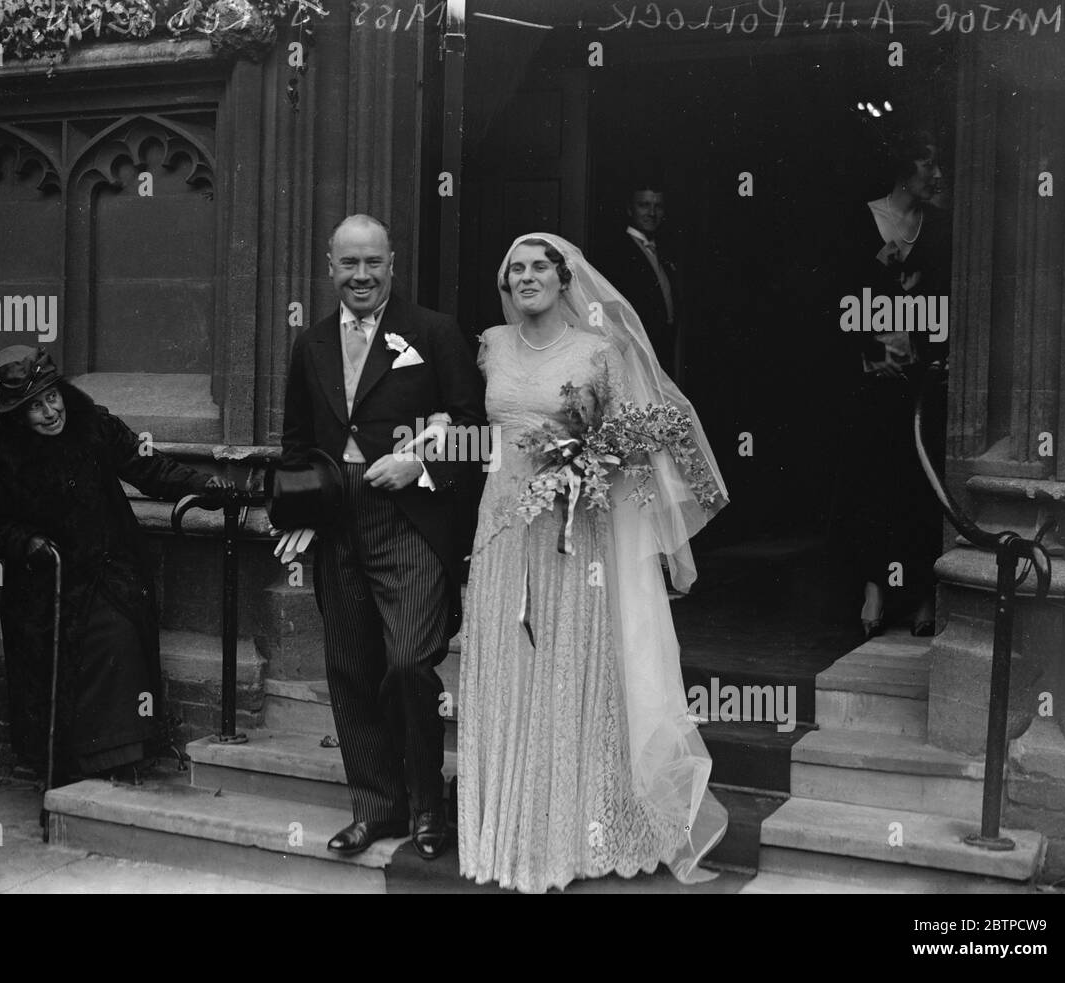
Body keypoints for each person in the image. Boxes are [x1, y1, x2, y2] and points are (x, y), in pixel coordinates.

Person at [457, 233, 729, 893]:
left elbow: (652, 437)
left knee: (560, 669)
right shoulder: (491, 343)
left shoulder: (599, 351)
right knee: (507, 664)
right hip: (500, 526)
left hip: (572, 536)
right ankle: (506, 830)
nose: (525, 277)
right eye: (514, 268)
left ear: (563, 277)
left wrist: (592, 461)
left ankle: (567, 834)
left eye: (537, 267)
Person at [276, 214, 486, 859]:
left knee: (407, 666)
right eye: (349, 264)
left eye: (373, 263)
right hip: (338, 526)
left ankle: (429, 803)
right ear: (330, 266)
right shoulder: (309, 343)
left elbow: (478, 432)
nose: (361, 276)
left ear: (393, 263)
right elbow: (297, 445)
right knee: (350, 669)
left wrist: (420, 463)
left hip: (410, 523)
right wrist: (304, 509)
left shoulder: (434, 332)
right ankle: (378, 808)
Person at [0, 346, 228, 783]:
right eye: (34, 406)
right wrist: (29, 542)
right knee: (56, 675)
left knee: (118, 645)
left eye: (52, 397)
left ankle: (120, 761)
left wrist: (204, 485)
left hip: (106, 571)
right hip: (46, 586)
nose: (50, 412)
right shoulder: (4, 457)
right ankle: (68, 773)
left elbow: (147, 467)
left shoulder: (96, 426)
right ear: (17, 415)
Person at [833, 131, 950, 639]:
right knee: (872, 484)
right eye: (929, 165)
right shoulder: (859, 220)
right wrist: (864, 355)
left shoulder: (937, 228)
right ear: (905, 171)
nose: (938, 175)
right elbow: (831, 297)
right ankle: (874, 587)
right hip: (871, 383)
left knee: (921, 486)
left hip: (920, 383)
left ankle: (925, 592)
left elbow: (947, 302)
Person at [597, 183, 682, 379]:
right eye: (644, 205)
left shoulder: (664, 249)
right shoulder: (615, 251)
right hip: (633, 350)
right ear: (630, 209)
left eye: (658, 206)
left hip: (662, 347)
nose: (652, 213)